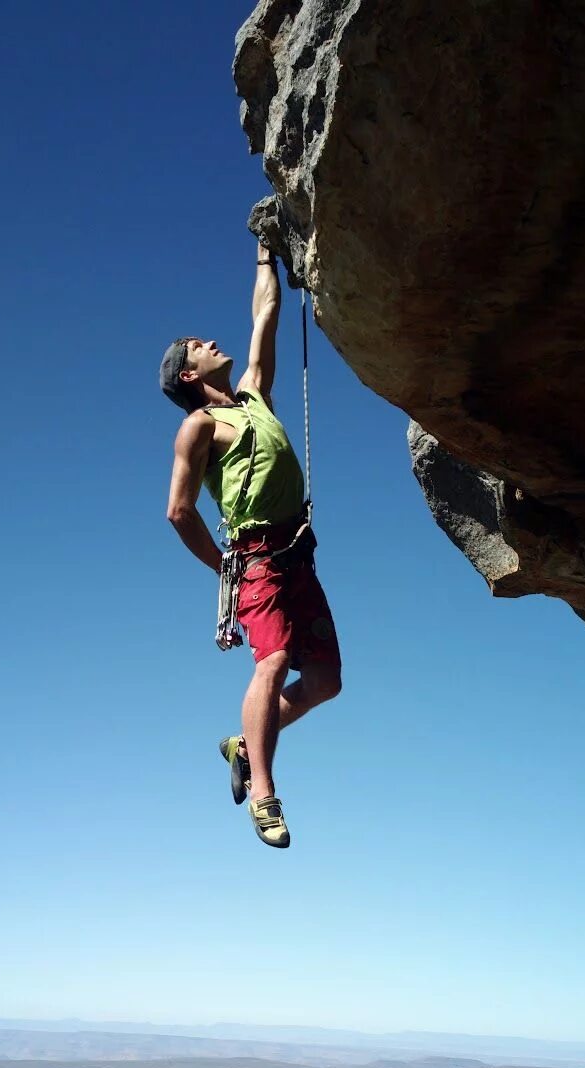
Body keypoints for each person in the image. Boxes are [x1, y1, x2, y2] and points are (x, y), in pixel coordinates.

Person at [159, 241, 341, 849]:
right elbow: (179, 511)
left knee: (326, 680)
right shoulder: (200, 426)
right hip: (256, 559)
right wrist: (224, 569)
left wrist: (266, 256)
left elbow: (266, 317)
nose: (213, 344)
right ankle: (263, 792)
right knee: (271, 660)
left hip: (298, 555)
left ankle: (243, 743)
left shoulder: (253, 396)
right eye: (199, 348)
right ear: (189, 374)